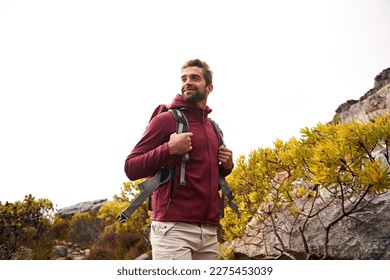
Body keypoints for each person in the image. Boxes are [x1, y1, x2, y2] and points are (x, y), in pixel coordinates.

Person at [124, 59, 234, 260]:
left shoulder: (214, 128)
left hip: (208, 231)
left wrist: (227, 167)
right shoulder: (165, 120)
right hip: (173, 230)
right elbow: (131, 167)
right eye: (184, 78)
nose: (187, 82)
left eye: (194, 78)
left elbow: (203, 174)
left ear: (209, 87)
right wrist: (169, 149)